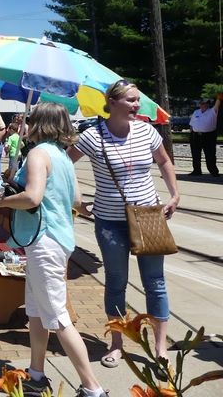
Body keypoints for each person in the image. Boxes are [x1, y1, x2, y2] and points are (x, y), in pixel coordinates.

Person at [0, 103, 107, 397]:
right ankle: (36, 374)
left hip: (44, 241)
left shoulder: (38, 154)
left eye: (31, 120)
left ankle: (93, 388)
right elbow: (78, 201)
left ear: (39, 123)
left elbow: (32, 198)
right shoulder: (63, 156)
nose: (27, 124)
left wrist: (2, 201)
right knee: (36, 312)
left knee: (58, 316)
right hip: (57, 240)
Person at [68, 79, 180, 373]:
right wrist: (77, 201)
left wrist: (174, 195)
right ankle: (117, 343)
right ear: (112, 103)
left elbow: (164, 161)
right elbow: (65, 165)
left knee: (155, 282)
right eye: (131, 100)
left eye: (137, 99)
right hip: (110, 222)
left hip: (148, 216)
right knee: (116, 281)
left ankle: (160, 348)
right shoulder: (93, 136)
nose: (137, 104)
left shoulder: (147, 131)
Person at [188, 95, 221, 176]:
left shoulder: (212, 111)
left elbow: (217, 104)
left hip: (208, 136)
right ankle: (197, 171)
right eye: (202, 103)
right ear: (200, 104)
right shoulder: (196, 112)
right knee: (195, 154)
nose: (204, 105)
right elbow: (192, 124)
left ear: (208, 104)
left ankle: (213, 171)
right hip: (196, 135)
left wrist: (219, 97)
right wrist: (192, 132)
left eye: (206, 103)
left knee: (210, 154)